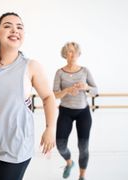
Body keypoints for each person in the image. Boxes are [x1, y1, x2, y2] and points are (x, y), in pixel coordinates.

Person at [0, 12, 56, 180]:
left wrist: (50, 128)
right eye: (8, 26)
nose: (15, 30)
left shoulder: (31, 66)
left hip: (16, 146)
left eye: (19, 27)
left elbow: (49, 97)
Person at [53, 42, 97, 180]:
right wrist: (66, 90)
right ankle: (69, 163)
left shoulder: (85, 71)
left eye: (75, 52)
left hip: (83, 113)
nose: (72, 54)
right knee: (60, 145)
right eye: (69, 52)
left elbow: (95, 91)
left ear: (79, 54)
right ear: (65, 54)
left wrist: (86, 87)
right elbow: (54, 94)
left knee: (83, 147)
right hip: (65, 112)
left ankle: (82, 176)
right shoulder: (59, 72)